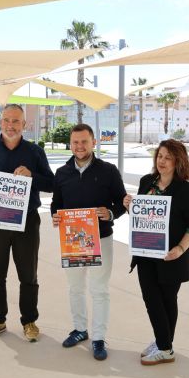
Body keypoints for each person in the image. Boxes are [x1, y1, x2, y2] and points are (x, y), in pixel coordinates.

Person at [0, 103, 54, 343]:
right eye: (7, 120)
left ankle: (29, 321)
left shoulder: (35, 152)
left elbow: (51, 184)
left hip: (27, 222)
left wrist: (32, 175)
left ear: (24, 124)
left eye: (16, 121)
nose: (11, 125)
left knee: (28, 275)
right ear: (1, 122)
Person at [123, 139, 189, 366]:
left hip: (171, 257)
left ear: (178, 161)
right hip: (145, 252)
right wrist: (130, 206)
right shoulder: (146, 182)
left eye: (168, 157)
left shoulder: (186, 190)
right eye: (160, 156)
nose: (162, 161)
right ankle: (163, 342)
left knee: (167, 300)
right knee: (151, 299)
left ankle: (165, 348)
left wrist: (180, 248)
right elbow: (141, 217)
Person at [51, 124, 127, 360]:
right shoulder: (62, 173)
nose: (80, 146)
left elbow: (121, 202)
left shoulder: (108, 171)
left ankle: (98, 338)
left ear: (94, 143)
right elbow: (56, 204)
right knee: (75, 288)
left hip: (101, 238)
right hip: (73, 240)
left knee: (99, 290)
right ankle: (80, 329)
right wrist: (55, 216)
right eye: (75, 142)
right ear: (70, 144)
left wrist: (110, 213)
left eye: (84, 141)